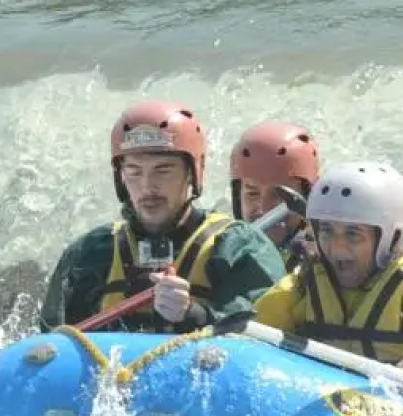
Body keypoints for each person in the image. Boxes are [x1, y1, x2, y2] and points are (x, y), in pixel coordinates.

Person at [39, 100, 286, 334]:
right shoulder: (91, 252)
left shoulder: (238, 247)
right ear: (121, 177)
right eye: (134, 172)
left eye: (163, 170)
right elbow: (51, 343)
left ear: (192, 174)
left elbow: (264, 336)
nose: (148, 187)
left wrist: (194, 314)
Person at [251, 161, 403, 389]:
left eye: (353, 234)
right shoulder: (305, 283)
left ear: (391, 238)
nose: (337, 249)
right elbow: (250, 335)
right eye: (327, 231)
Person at [229, 119, 321, 269]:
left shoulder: (328, 262)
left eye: (279, 194)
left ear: (308, 194)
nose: (264, 209)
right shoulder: (220, 255)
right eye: (252, 193)